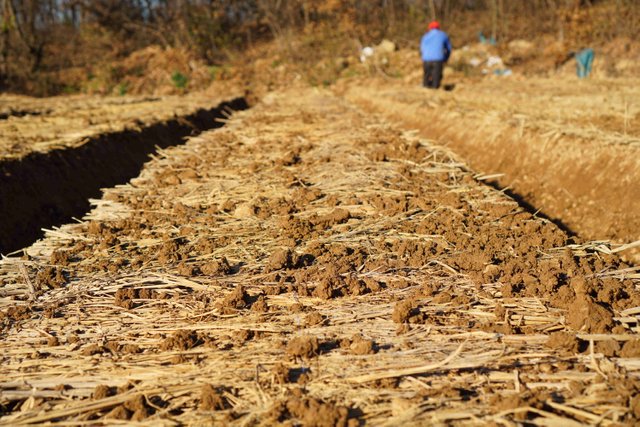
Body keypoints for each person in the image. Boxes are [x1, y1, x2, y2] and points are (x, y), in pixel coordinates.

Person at [420, 21, 452, 89]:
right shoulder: (443, 35)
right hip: (438, 59)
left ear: (430, 28)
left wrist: (424, 57)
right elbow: (448, 49)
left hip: (426, 59)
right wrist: (446, 58)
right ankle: (435, 89)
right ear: (438, 28)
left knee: (426, 76)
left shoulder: (425, 36)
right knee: (436, 77)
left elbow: (422, 49)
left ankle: (425, 88)